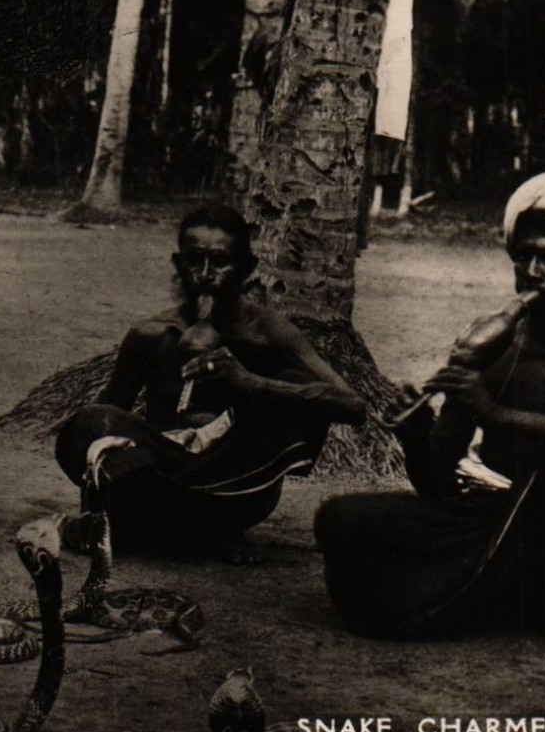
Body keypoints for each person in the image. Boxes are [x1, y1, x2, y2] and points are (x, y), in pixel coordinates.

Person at [316, 173, 545, 657]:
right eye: (523, 255)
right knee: (337, 519)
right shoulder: (495, 349)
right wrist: (417, 435)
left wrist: (497, 415)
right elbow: (438, 484)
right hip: (483, 516)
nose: (531, 269)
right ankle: (508, 597)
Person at [54, 205, 366, 560]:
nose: (204, 275)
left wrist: (251, 383)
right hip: (161, 473)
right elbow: (103, 425)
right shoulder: (150, 335)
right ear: (177, 264)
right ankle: (192, 532)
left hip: (236, 487)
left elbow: (353, 405)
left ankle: (203, 528)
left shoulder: (270, 333)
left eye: (219, 262)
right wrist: (93, 512)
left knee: (296, 387)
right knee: (92, 419)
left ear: (247, 268)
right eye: (193, 261)